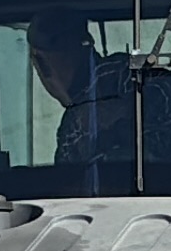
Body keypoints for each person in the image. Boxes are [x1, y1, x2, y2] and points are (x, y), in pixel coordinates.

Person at [27, 10, 135, 176]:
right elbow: (66, 184)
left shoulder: (120, 74)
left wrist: (122, 112)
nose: (44, 70)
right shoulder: (73, 117)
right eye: (37, 59)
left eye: (58, 46)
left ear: (84, 44)